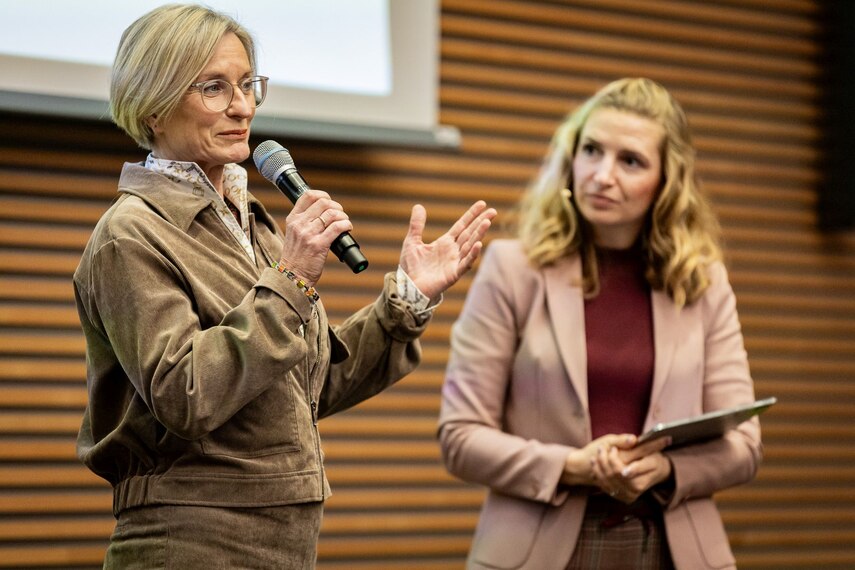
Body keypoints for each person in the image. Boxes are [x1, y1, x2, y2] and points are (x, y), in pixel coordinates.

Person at [73, 4, 496, 568]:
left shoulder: (253, 223)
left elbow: (308, 386)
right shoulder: (130, 234)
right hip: (191, 540)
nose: (243, 106)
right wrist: (290, 279)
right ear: (154, 105)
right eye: (214, 88)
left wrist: (407, 300)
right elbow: (185, 394)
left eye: (248, 84)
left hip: (286, 540)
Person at [438, 77, 762, 570]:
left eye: (630, 161)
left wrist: (666, 468)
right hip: (540, 551)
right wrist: (574, 466)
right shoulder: (512, 270)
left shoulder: (703, 283)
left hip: (673, 549)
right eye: (591, 151)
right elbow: (460, 437)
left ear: (667, 182)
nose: (601, 175)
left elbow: (744, 446)